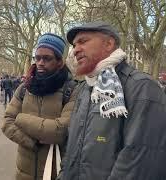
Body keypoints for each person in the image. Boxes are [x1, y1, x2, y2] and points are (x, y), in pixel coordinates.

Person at [59, 21, 166, 180]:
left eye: (83, 42)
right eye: (74, 45)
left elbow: (139, 162)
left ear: (109, 44)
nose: (75, 50)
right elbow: (72, 150)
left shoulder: (142, 88)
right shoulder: (84, 89)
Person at [2, 33, 76, 180]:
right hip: (23, 172)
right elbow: (7, 123)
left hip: (56, 171)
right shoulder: (24, 89)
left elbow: (60, 131)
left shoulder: (72, 90)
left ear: (60, 62)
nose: (40, 62)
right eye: (37, 58)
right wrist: (32, 143)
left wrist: (21, 118)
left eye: (47, 58)